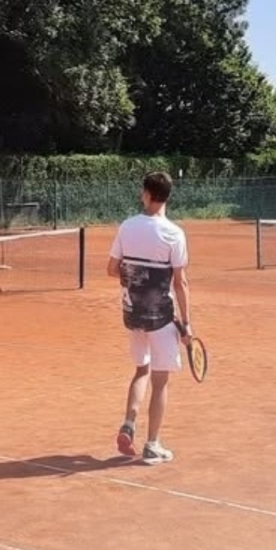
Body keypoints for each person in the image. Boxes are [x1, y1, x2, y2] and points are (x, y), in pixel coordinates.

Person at [107, 171, 192, 464]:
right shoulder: (174, 234)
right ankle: (152, 445)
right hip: (161, 319)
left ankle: (128, 424)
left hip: (132, 315)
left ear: (146, 194)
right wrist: (187, 324)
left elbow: (112, 269)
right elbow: (180, 282)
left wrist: (136, 277)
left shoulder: (127, 226)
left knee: (141, 370)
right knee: (160, 380)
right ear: (168, 197)